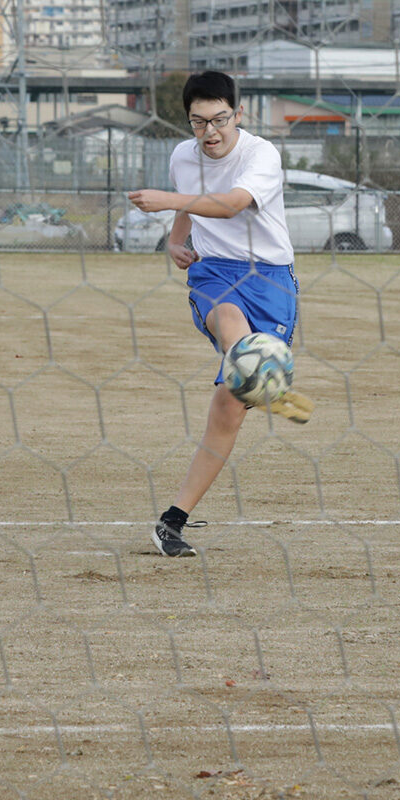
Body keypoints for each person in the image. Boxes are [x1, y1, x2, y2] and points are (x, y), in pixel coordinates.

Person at [128, 70, 313, 558]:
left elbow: (230, 205)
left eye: (219, 120)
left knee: (229, 407)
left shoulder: (260, 154)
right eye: (198, 122)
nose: (210, 133)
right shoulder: (183, 156)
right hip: (214, 273)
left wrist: (168, 203)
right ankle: (257, 372)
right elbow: (193, 202)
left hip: (272, 279)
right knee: (228, 320)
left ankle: (175, 517)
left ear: (239, 113)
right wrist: (174, 237)